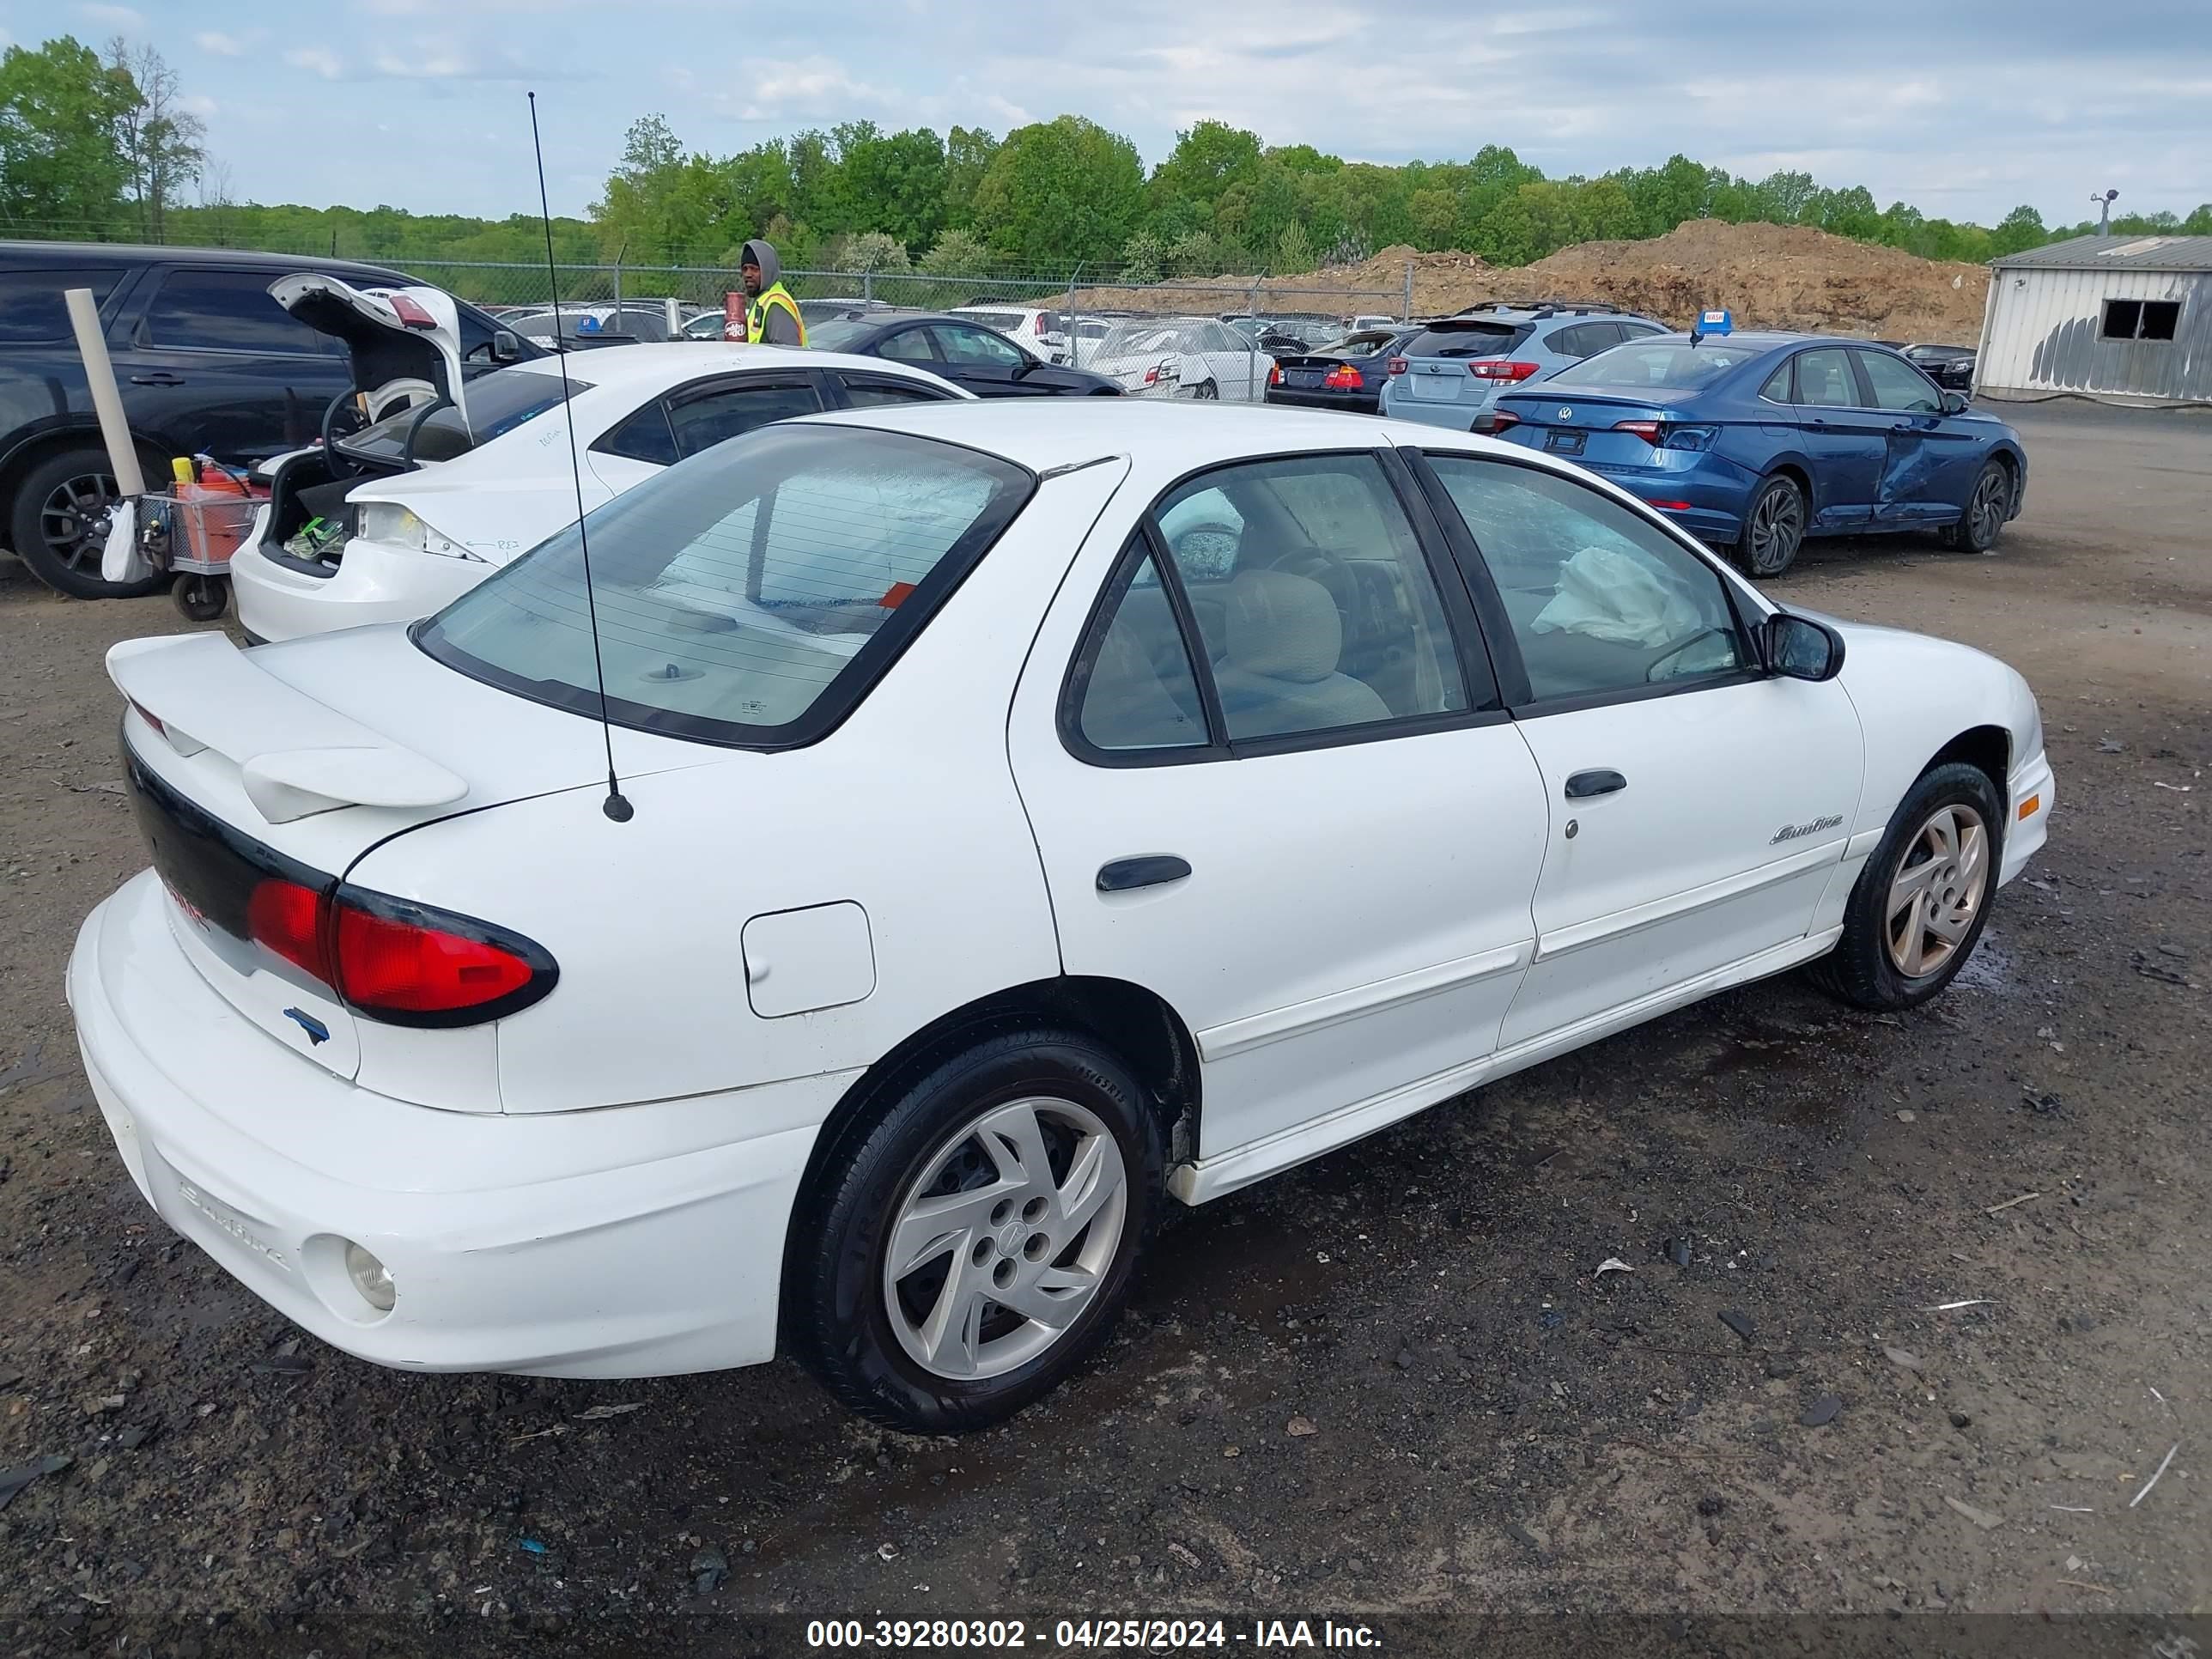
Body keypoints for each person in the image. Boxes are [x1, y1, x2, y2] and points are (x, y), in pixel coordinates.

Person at [738, 240, 806, 346]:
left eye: (754, 269)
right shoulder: (762, 300)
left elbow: (788, 354)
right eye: (745, 269)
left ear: (767, 270)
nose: (748, 274)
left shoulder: (776, 304)